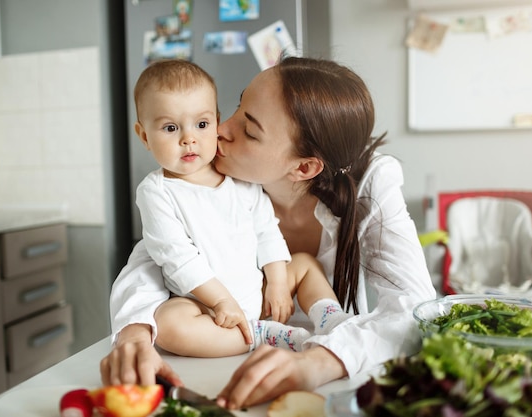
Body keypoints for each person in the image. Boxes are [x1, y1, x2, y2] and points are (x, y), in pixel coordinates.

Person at [101, 56, 436, 409]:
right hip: (231, 336)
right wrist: (134, 332)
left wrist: (320, 361)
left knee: (303, 265)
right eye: (236, 107)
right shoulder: (204, 168)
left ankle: (329, 322)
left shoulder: (371, 183)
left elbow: (415, 308)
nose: (218, 129)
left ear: (303, 167)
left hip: (327, 361)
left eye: (249, 130)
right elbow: (158, 254)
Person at [130, 59, 344, 358]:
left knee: (305, 263)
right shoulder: (157, 192)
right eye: (170, 128)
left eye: (202, 125)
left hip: (256, 289)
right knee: (168, 325)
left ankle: (332, 320)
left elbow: (267, 230)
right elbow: (177, 258)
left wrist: (278, 283)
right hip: (203, 304)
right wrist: (219, 302)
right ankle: (257, 335)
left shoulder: (239, 180)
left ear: (215, 122)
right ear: (144, 137)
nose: (188, 138)